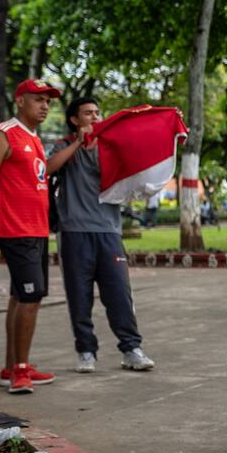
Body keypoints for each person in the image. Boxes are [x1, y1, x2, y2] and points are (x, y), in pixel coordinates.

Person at [46, 98, 155, 374]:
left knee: (118, 293)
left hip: (109, 231)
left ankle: (131, 349)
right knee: (79, 296)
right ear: (74, 120)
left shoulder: (111, 148)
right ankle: (86, 351)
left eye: (97, 113)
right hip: (74, 232)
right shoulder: (64, 145)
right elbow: (48, 168)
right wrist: (78, 143)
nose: (95, 117)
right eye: (88, 113)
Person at [0, 79, 61, 394]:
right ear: (20, 101)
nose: (45, 106)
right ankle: (20, 372)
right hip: (16, 229)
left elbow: (43, 173)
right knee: (30, 297)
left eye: (48, 102)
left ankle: (11, 366)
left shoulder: (33, 138)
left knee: (21, 296)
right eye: (38, 100)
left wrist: (77, 145)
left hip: (36, 229)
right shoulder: (4, 133)